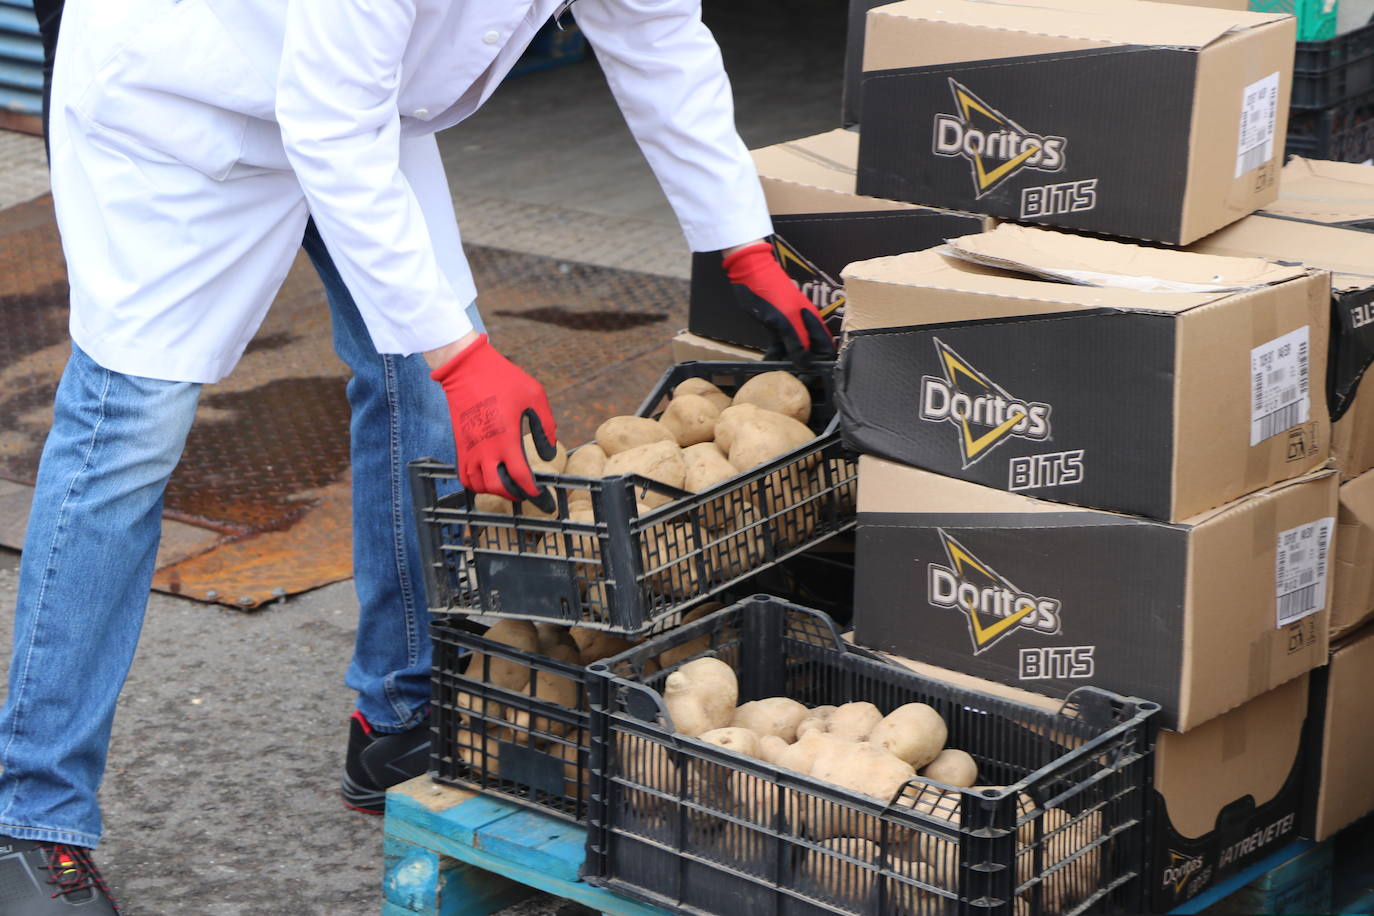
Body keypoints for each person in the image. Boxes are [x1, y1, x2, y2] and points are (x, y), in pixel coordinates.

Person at [0, 0, 834, 912]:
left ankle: (394, 715)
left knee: (431, 407)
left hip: (357, 106)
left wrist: (736, 238)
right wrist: (462, 359)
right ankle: (32, 816)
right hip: (187, 96)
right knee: (126, 433)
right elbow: (325, 118)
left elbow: (654, 32)